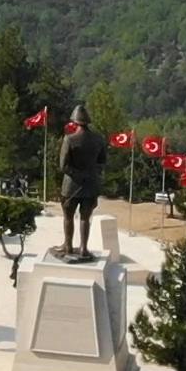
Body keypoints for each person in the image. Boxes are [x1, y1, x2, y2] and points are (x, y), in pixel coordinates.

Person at [58, 105, 110, 257]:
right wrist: (90, 174)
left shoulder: (70, 139)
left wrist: (78, 175)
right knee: (85, 218)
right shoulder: (98, 140)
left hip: (71, 186)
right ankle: (83, 248)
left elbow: (63, 165)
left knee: (68, 217)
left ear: (74, 122)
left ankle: (68, 246)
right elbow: (102, 162)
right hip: (90, 184)